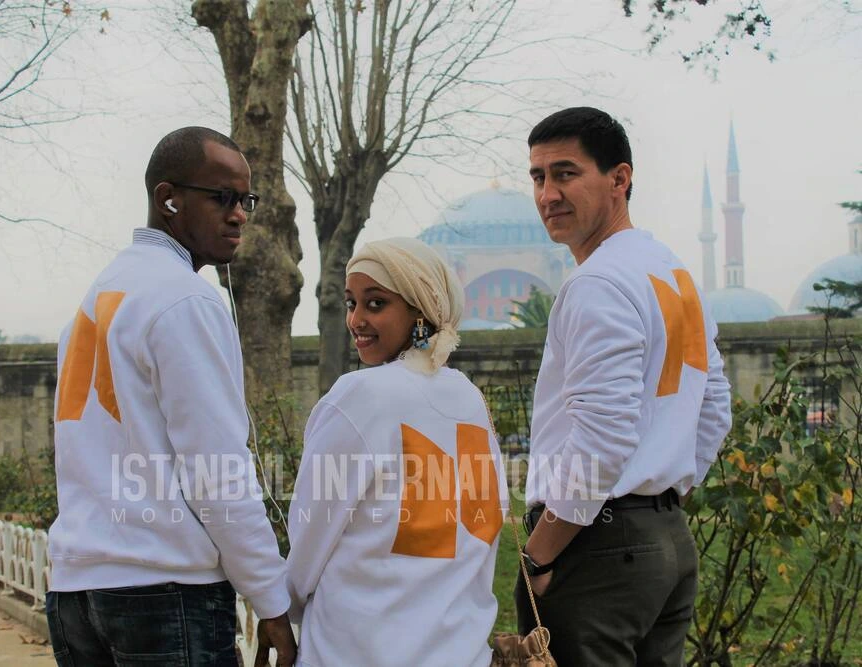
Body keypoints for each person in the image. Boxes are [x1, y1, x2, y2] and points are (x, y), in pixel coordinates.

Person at [45, 127, 295, 667]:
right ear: (168, 199)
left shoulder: (96, 299)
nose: (239, 215)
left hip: (75, 593)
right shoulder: (185, 300)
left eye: (246, 200)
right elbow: (218, 471)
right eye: (222, 197)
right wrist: (271, 599)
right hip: (162, 595)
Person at [515, 106, 732, 665]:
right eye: (538, 177)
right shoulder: (672, 273)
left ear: (619, 179)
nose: (547, 194)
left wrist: (539, 556)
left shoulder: (598, 283)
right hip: (664, 542)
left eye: (566, 173)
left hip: (596, 547)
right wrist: (661, 498)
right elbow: (714, 408)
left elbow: (601, 439)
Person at [285, 237, 508, 667]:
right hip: (461, 653)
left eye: (376, 303)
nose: (356, 320)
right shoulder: (470, 399)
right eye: (351, 303)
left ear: (420, 311)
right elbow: (483, 539)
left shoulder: (360, 396)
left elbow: (309, 540)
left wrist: (282, 608)